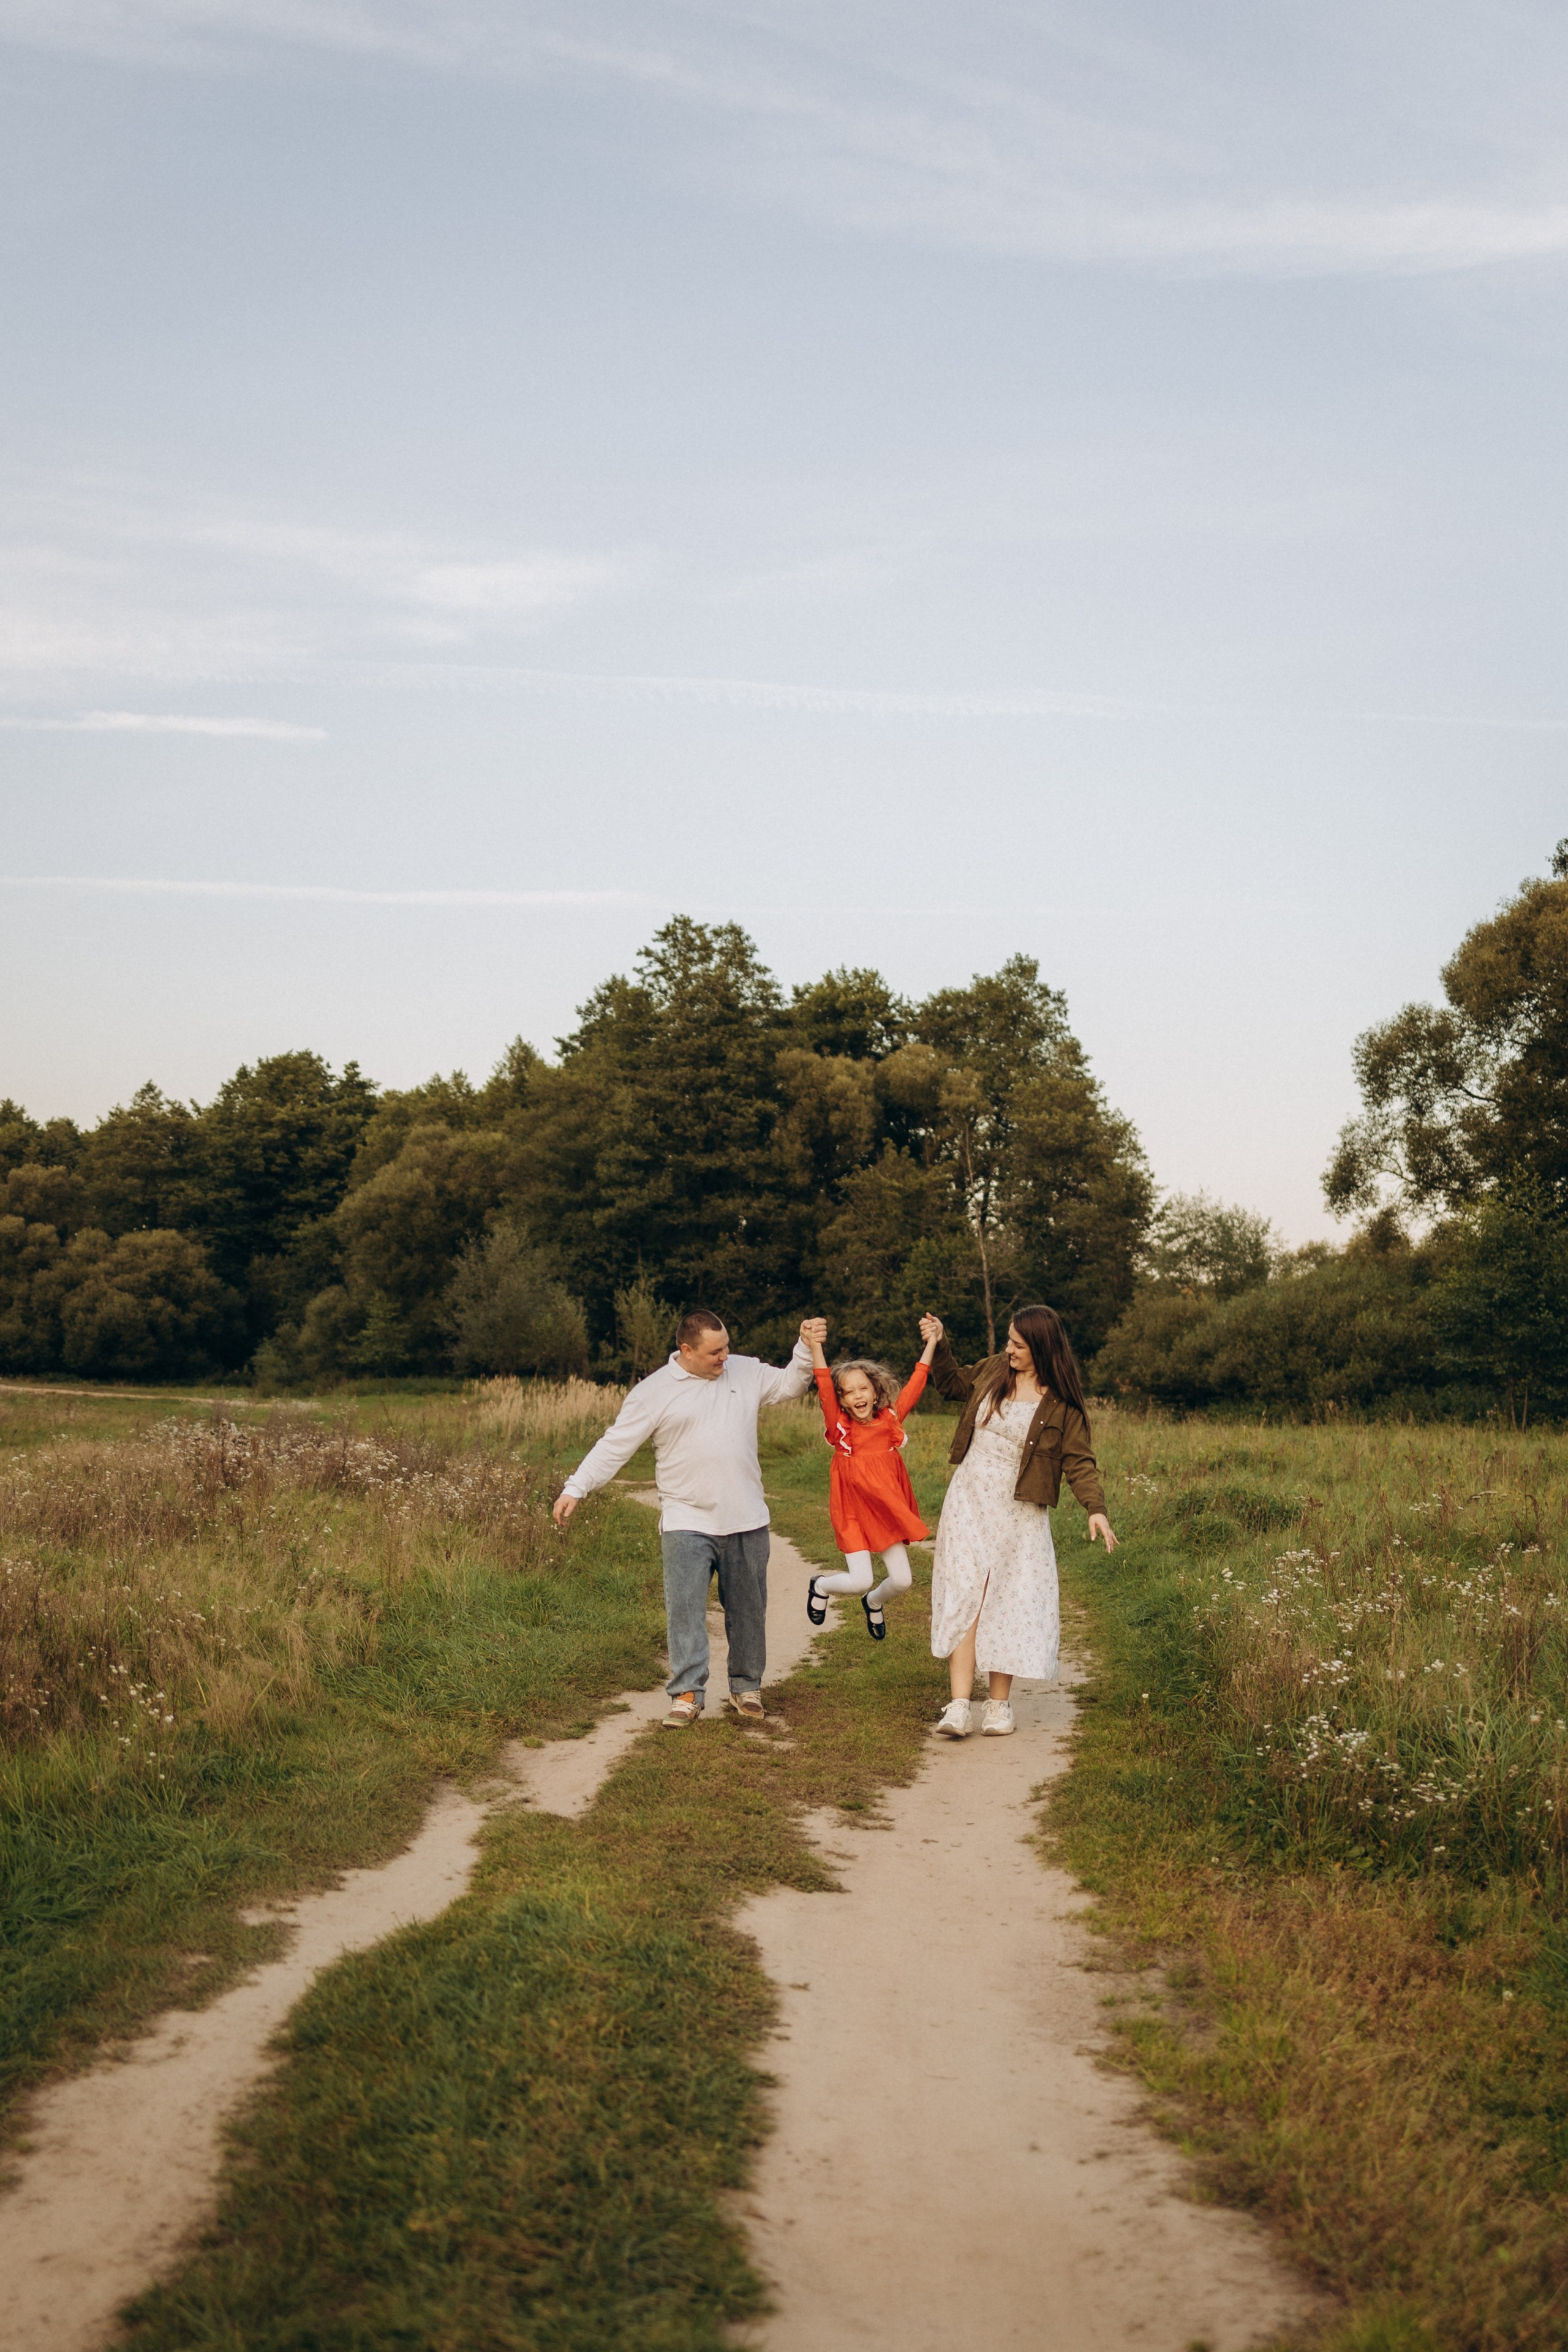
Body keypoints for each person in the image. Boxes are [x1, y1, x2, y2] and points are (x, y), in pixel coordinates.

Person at [552, 1308, 824, 1727]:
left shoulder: (745, 1371)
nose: (725, 1358)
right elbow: (616, 1445)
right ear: (686, 1350)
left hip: (747, 1518)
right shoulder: (653, 1392)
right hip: (686, 1520)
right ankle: (687, 1694)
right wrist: (577, 1486)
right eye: (716, 1352)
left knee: (749, 1611)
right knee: (685, 1612)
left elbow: (791, 1384)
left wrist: (805, 1349)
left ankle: (746, 1687)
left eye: (728, 1347)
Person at [925, 1305, 1117, 1740]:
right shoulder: (994, 1370)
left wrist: (1095, 1509)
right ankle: (958, 1707)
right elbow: (952, 1383)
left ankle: (998, 1707)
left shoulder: (1062, 1403)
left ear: (1042, 1349)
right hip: (969, 1501)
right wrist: (941, 1342)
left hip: (1020, 1512)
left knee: (1005, 1602)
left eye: (1017, 1344)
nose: (1008, 1349)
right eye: (1009, 1341)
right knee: (964, 1596)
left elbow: (1080, 1462)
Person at [803, 1319, 940, 1639]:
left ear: (876, 1392)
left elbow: (917, 1382)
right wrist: (815, 1346)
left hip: (885, 1510)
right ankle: (821, 1585)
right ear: (843, 1400)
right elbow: (823, 1384)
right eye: (849, 1392)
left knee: (903, 1581)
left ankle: (874, 1602)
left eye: (863, 1388)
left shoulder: (890, 1420)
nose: (858, 1396)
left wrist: (932, 1341)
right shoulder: (841, 1429)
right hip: (852, 1510)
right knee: (860, 1579)